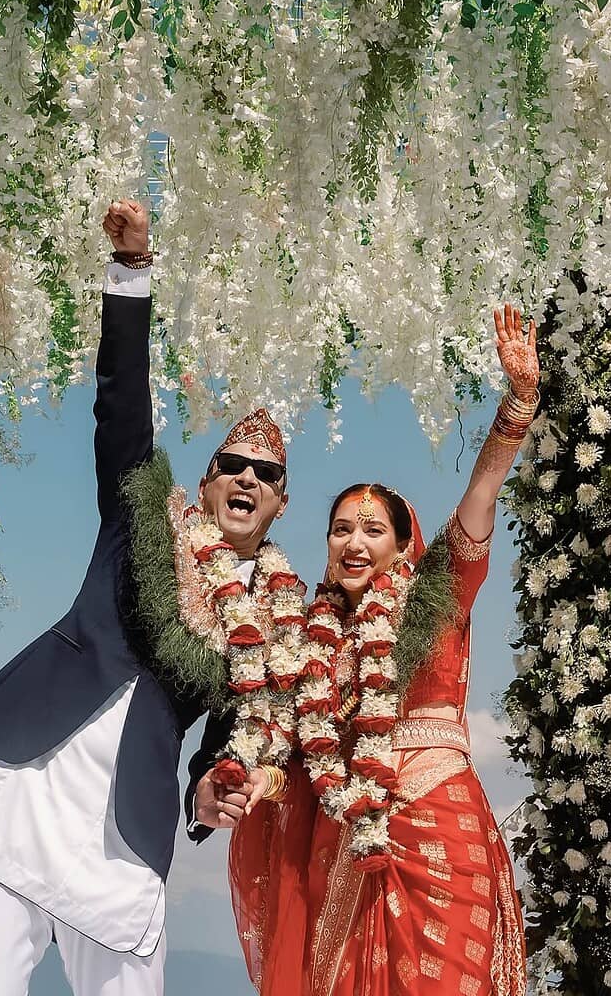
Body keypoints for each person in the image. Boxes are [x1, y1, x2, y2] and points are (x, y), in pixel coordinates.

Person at [0, 197, 306, 996]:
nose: (247, 476)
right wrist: (132, 271)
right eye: (231, 465)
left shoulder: (275, 628)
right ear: (204, 484)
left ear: (279, 505)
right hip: (27, 787)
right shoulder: (141, 516)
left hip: (123, 835)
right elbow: (121, 408)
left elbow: (232, 738)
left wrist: (209, 790)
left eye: (265, 475)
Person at [216, 303, 539, 996]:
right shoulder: (308, 642)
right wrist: (254, 785)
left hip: (437, 832)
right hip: (345, 846)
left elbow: (481, 495)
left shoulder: (435, 599)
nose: (354, 543)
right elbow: (294, 760)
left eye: (371, 530)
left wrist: (517, 403)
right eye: (340, 529)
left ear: (403, 546)